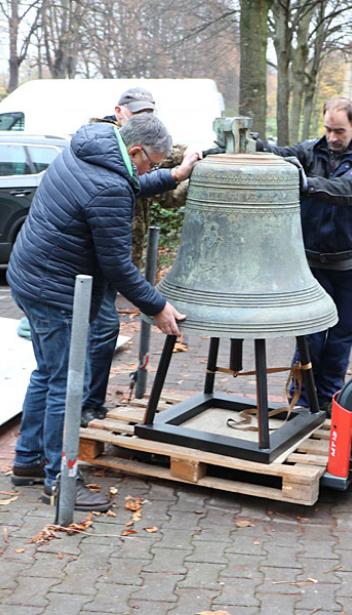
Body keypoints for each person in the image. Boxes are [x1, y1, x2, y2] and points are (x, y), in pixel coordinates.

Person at [7, 114, 188, 511]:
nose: (149, 171)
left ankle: (28, 462)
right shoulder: (108, 185)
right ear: (135, 150)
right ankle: (59, 481)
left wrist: (173, 175)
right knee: (68, 383)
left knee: (47, 373)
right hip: (55, 291)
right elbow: (118, 266)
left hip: (29, 275)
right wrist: (156, 307)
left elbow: (129, 183)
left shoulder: (94, 146)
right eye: (152, 164)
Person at [80, 87, 199, 428]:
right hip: (99, 259)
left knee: (100, 331)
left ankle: (91, 403)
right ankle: (84, 405)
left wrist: (191, 169)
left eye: (150, 113)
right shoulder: (103, 147)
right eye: (137, 113)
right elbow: (135, 184)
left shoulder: (139, 150)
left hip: (118, 258)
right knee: (101, 330)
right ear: (119, 111)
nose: (144, 119)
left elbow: (165, 195)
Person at [258, 96, 352, 413]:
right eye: (327, 129)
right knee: (309, 338)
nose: (332, 137)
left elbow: (349, 190)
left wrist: (307, 183)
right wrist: (253, 145)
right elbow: (276, 156)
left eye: (339, 131)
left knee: (342, 336)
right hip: (311, 265)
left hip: (351, 266)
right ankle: (300, 403)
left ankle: (327, 404)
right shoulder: (308, 152)